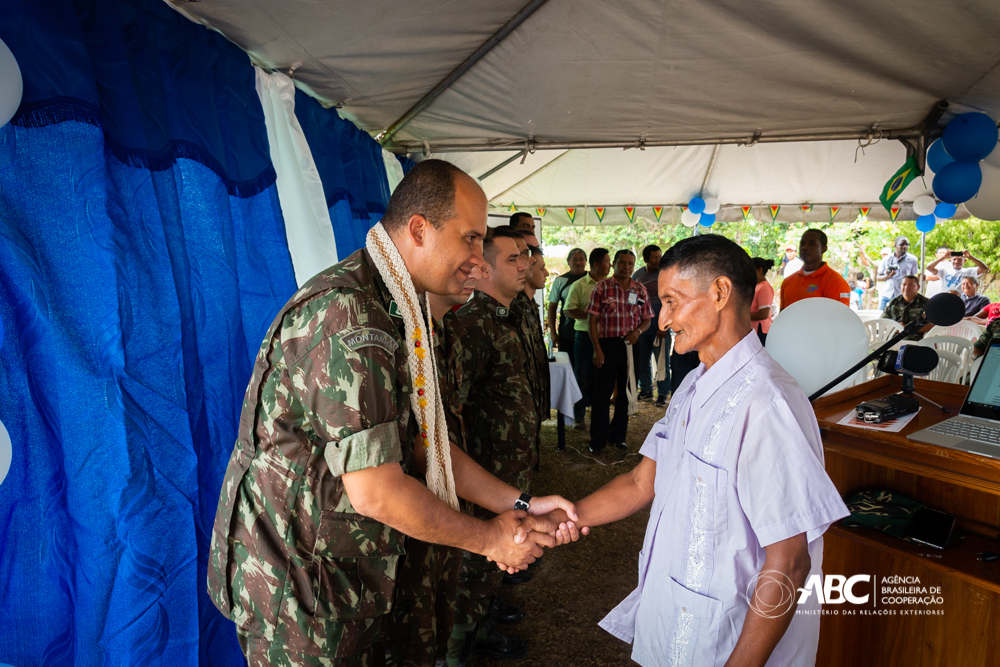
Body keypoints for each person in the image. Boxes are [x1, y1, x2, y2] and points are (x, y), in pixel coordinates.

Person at [207, 159, 579, 666]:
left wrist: (518, 504)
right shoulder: (351, 315)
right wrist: (491, 539)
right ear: (420, 230)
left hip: (346, 580)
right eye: (470, 238)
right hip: (305, 597)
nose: (479, 259)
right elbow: (377, 490)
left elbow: (426, 442)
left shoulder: (400, 307)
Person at [537, 234, 849, 667]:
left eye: (672, 302)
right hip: (681, 620)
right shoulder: (693, 383)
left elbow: (789, 562)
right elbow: (641, 480)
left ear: (719, 293)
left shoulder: (767, 403)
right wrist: (565, 517)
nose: (662, 321)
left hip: (732, 641)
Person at [450, 227, 553, 663]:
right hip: (483, 476)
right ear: (486, 268)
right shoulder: (472, 325)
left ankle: (480, 633)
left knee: (491, 570)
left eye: (524, 257)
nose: (525, 264)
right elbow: (449, 412)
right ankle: (456, 652)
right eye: (512, 258)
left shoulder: (505, 317)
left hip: (509, 472)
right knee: (471, 572)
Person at [586, 249, 653, 454]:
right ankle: (598, 439)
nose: (626, 267)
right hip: (607, 345)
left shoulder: (640, 290)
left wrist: (637, 332)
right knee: (602, 394)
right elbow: (592, 321)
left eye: (630, 264)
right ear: (613, 264)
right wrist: (597, 350)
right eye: (622, 263)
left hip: (631, 345)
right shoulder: (601, 288)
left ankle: (618, 437)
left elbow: (647, 319)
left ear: (634, 266)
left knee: (626, 393)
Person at [564, 248, 611, 428]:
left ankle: (599, 418)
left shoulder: (611, 285)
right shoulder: (580, 285)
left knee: (602, 378)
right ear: (596, 264)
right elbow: (568, 309)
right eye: (607, 261)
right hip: (584, 337)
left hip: (606, 338)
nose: (610, 265)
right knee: (582, 377)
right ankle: (579, 416)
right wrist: (592, 317)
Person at [632, 244, 671, 406]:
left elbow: (670, 302)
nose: (658, 260)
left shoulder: (665, 274)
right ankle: (646, 390)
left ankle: (662, 394)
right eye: (654, 257)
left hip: (661, 325)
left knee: (662, 360)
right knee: (642, 359)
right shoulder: (637, 275)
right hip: (642, 324)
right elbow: (632, 299)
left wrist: (664, 327)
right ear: (646, 259)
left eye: (659, 256)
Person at [779, 228, 850, 310]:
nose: (805, 247)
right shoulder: (788, 282)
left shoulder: (836, 282)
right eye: (802, 243)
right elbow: (782, 317)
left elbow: (840, 318)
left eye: (812, 244)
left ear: (823, 249)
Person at [547, 248, 588, 365]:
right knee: (567, 366)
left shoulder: (592, 279)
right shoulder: (560, 280)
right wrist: (553, 334)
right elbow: (552, 307)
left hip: (589, 332)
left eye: (581, 259)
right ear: (568, 262)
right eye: (574, 259)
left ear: (586, 261)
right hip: (567, 333)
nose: (578, 262)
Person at [881, 275, 934, 340]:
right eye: (904, 284)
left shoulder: (927, 304)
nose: (906, 287)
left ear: (918, 287)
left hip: (917, 341)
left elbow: (933, 326)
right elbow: (882, 322)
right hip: (893, 340)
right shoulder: (893, 302)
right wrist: (897, 327)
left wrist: (908, 328)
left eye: (911, 285)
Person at [877, 236, 919, 307]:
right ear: (895, 245)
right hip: (886, 294)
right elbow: (878, 278)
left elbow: (913, 278)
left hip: (902, 296)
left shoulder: (913, 260)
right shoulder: (886, 259)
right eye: (902, 244)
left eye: (907, 244)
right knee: (881, 316)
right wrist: (888, 276)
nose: (905, 247)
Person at [750, 257, 775, 345]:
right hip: (753, 329)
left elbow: (763, 314)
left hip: (760, 330)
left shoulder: (765, 287)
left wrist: (742, 316)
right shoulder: (756, 286)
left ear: (759, 270)